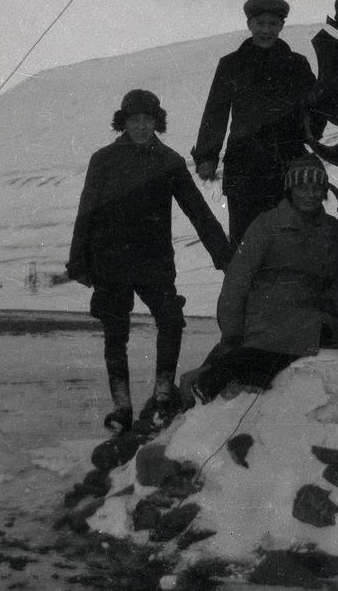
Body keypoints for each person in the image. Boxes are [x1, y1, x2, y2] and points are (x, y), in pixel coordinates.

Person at [67, 89, 234, 433]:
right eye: (135, 120)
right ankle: (122, 407)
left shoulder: (169, 161)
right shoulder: (103, 160)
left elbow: (199, 212)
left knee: (171, 322)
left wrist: (225, 257)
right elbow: (87, 210)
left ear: (157, 122)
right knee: (116, 332)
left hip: (154, 261)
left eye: (148, 120)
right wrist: (78, 262)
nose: (142, 127)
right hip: (110, 260)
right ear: (123, 122)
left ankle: (161, 397)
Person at [180, 153, 338, 405]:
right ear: (290, 190)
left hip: (310, 314)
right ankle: (204, 385)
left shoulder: (331, 230)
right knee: (267, 351)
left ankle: (212, 381)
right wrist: (232, 333)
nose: (309, 194)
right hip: (267, 313)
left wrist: (331, 305)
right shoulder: (267, 224)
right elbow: (238, 279)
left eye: (316, 188)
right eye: (302, 187)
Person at [192, 0, 323, 248]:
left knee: (289, 240)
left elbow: (315, 109)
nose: (266, 30)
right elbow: (216, 111)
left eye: (272, 24)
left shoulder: (297, 64)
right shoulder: (231, 64)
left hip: (288, 165)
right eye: (260, 23)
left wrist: (311, 134)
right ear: (249, 24)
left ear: (282, 27)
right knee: (246, 243)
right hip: (244, 166)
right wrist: (207, 155)